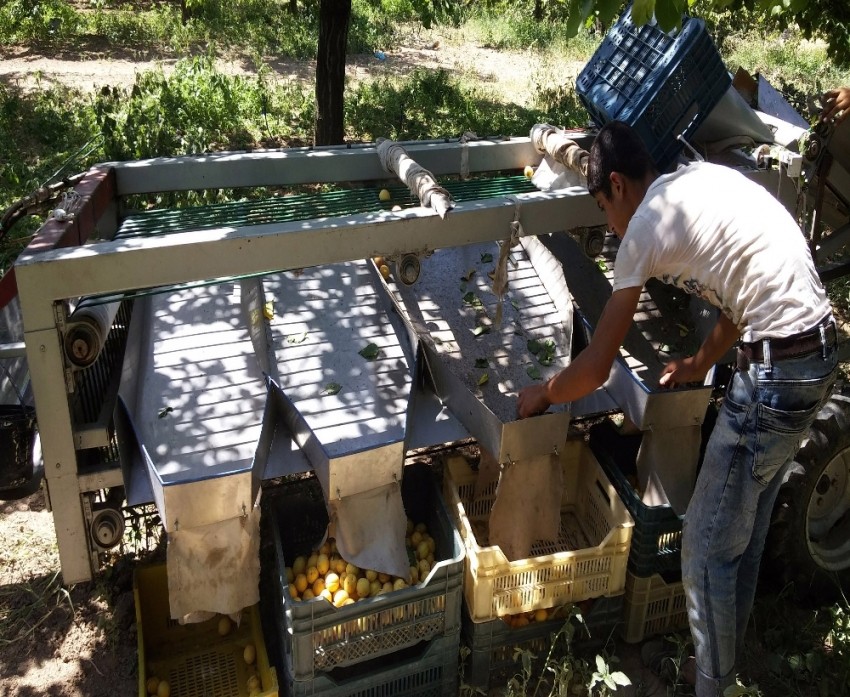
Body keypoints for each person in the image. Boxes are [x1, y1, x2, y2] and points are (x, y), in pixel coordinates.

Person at [517, 120, 839, 696]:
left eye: (601, 208)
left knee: (704, 547)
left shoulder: (644, 227)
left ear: (616, 185)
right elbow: (740, 300)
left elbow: (594, 367)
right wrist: (698, 364)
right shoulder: (697, 180)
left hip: (775, 377)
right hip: (816, 353)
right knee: (743, 536)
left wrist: (544, 393)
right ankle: (719, 667)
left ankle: (712, 686)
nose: (609, 227)